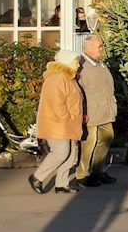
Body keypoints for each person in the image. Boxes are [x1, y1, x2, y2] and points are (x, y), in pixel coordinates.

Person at [28, 50, 85, 194]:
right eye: (75, 62)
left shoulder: (68, 77)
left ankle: (62, 183)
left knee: (70, 154)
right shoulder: (57, 78)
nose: (78, 65)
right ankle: (37, 177)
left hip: (69, 123)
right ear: (66, 62)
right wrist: (67, 117)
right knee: (61, 152)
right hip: (58, 124)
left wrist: (79, 116)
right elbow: (56, 103)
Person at [76, 35, 118, 187]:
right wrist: (82, 112)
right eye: (98, 46)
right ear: (88, 48)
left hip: (105, 110)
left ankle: (98, 170)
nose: (101, 49)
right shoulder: (82, 66)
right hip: (91, 112)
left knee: (107, 137)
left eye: (101, 46)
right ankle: (82, 174)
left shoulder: (101, 64)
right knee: (89, 143)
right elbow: (78, 92)